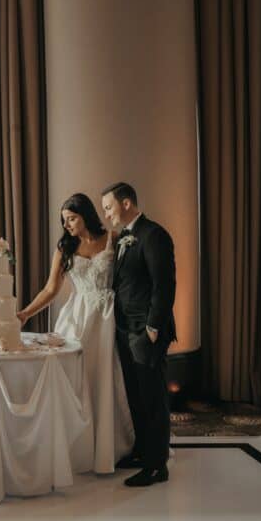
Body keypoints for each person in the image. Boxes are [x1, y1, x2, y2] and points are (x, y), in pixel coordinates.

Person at [17, 193, 134, 474]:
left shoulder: (113, 239)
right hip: (77, 319)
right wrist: (24, 314)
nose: (67, 224)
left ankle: (110, 448)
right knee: (76, 382)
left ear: (86, 215)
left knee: (106, 379)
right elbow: (50, 289)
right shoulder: (64, 247)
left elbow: (129, 279)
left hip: (107, 318)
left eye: (71, 218)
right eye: (64, 220)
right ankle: (74, 449)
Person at [101, 182, 176, 487]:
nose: (106, 214)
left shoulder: (153, 234)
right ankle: (143, 452)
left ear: (127, 202)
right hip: (124, 330)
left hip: (145, 333)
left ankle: (158, 466)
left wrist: (153, 329)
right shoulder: (123, 238)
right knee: (135, 397)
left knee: (153, 398)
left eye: (108, 207)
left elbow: (164, 285)